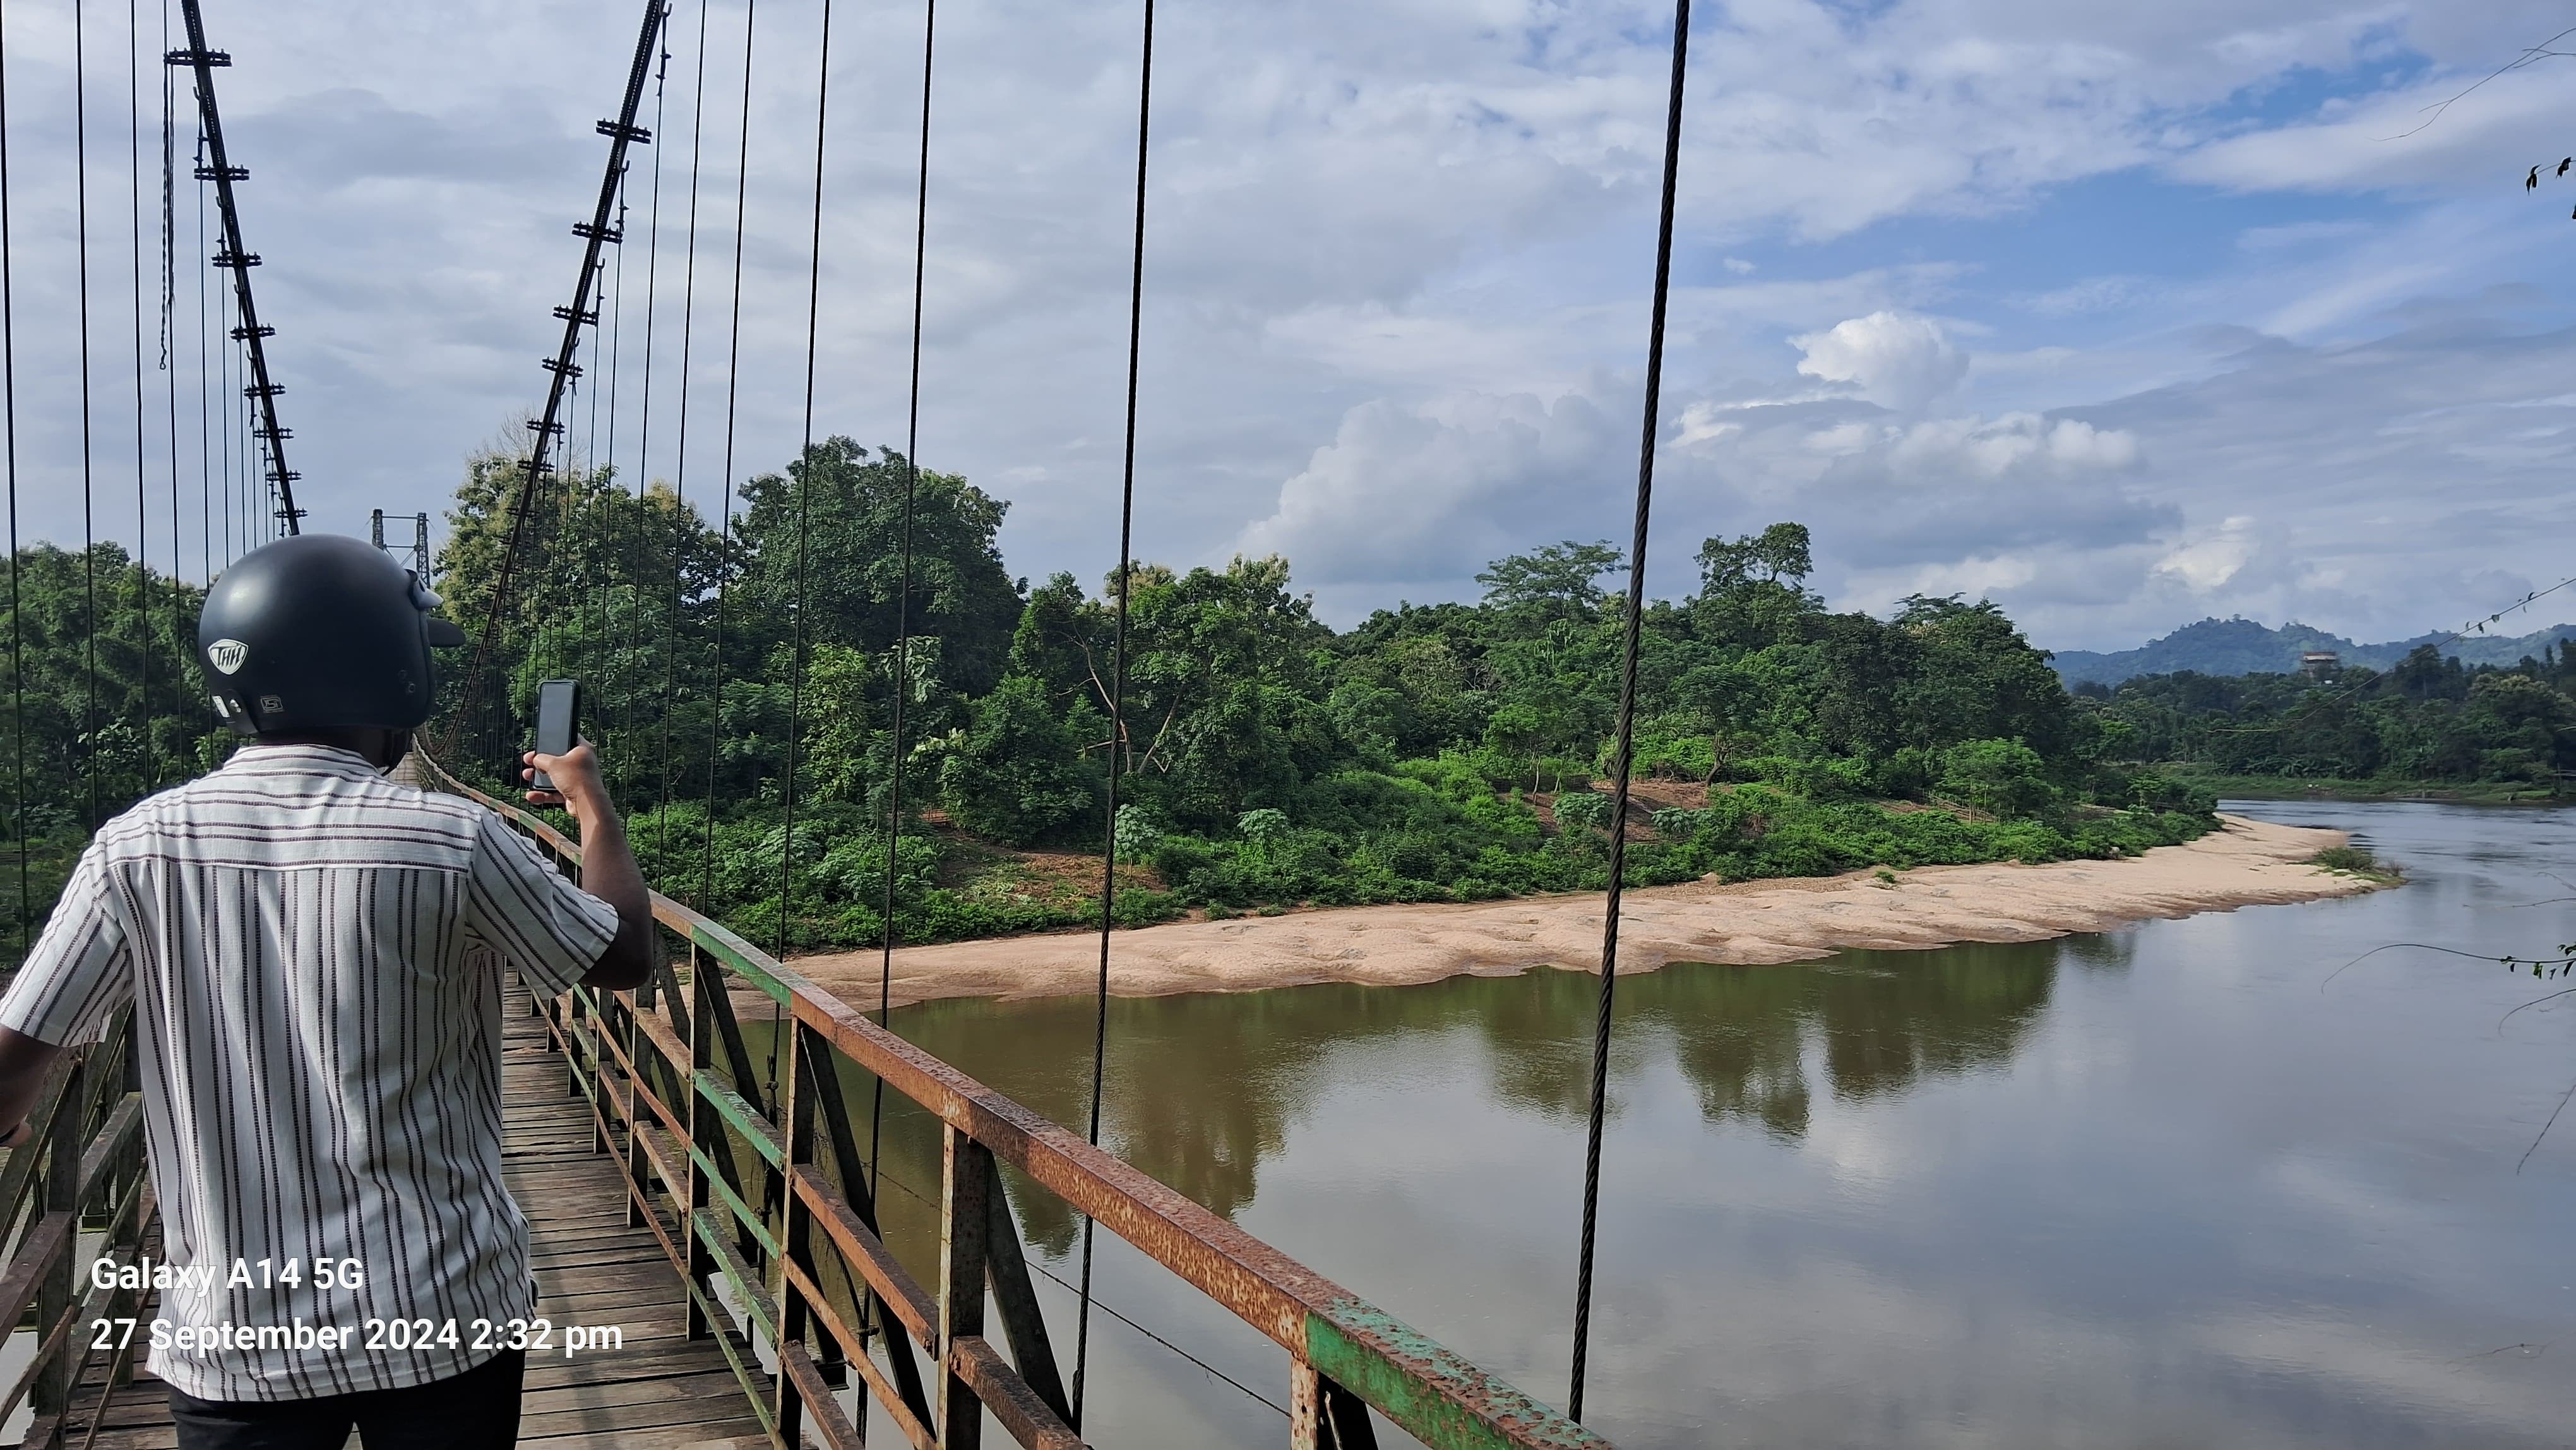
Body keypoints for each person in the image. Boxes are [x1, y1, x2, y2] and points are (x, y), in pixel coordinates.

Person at [0, 533, 652, 1449]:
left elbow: (14, 1057)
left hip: (237, 1337)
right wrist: (591, 806)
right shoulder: (453, 839)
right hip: (442, 1314)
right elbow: (622, 956)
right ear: (391, 678)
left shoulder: (134, 848)